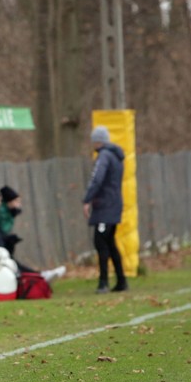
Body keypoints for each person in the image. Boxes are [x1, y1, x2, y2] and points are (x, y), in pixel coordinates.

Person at [83, 126, 128, 294]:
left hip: (105, 208)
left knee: (101, 243)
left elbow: (97, 179)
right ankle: (121, 280)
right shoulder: (117, 157)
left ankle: (103, 283)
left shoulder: (104, 156)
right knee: (110, 243)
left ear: (97, 141)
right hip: (114, 205)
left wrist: (87, 199)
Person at [0, 186, 23, 255]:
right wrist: (12, 216)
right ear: (10, 201)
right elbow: (3, 229)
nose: (18, 205)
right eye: (16, 201)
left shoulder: (7, 211)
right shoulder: (2, 211)